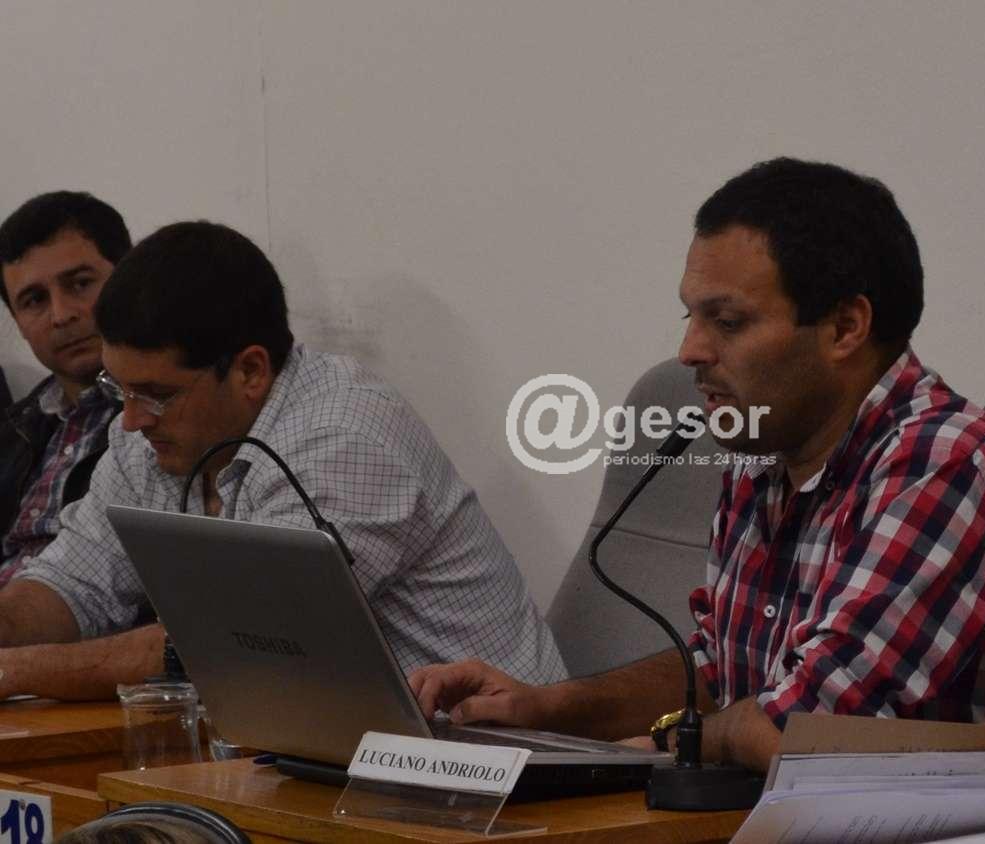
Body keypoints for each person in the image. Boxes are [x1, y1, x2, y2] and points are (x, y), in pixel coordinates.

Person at [409, 158, 985, 772]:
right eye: (691, 317)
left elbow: (802, 729)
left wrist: (669, 742)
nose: (690, 351)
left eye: (726, 322)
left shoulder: (944, 467)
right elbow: (725, 670)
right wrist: (548, 709)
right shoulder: (766, 456)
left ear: (845, 328)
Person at [0, 220, 565, 697]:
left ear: (250, 370)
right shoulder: (147, 433)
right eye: (118, 387)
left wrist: (12, 671)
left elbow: (229, 645)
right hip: (326, 745)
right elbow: (75, 580)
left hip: (492, 758)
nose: (129, 419)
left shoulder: (343, 436)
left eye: (156, 394)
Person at [0, 192, 128, 587]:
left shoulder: (169, 418)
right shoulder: (14, 429)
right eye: (34, 300)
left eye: (80, 284)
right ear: (18, 323)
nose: (61, 315)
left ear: (130, 279)